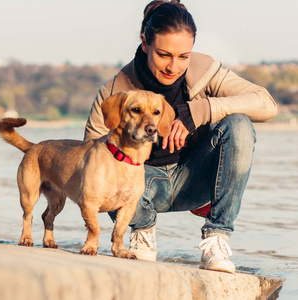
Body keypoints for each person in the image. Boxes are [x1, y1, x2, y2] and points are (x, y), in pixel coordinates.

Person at [83, 0, 277, 274]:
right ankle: (141, 230)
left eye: (183, 56)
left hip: (194, 180)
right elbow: (90, 170)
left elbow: (266, 104)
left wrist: (202, 109)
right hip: (142, 187)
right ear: (145, 43)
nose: (174, 67)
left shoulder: (204, 71)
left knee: (240, 126)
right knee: (108, 170)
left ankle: (216, 238)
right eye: (164, 55)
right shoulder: (114, 91)